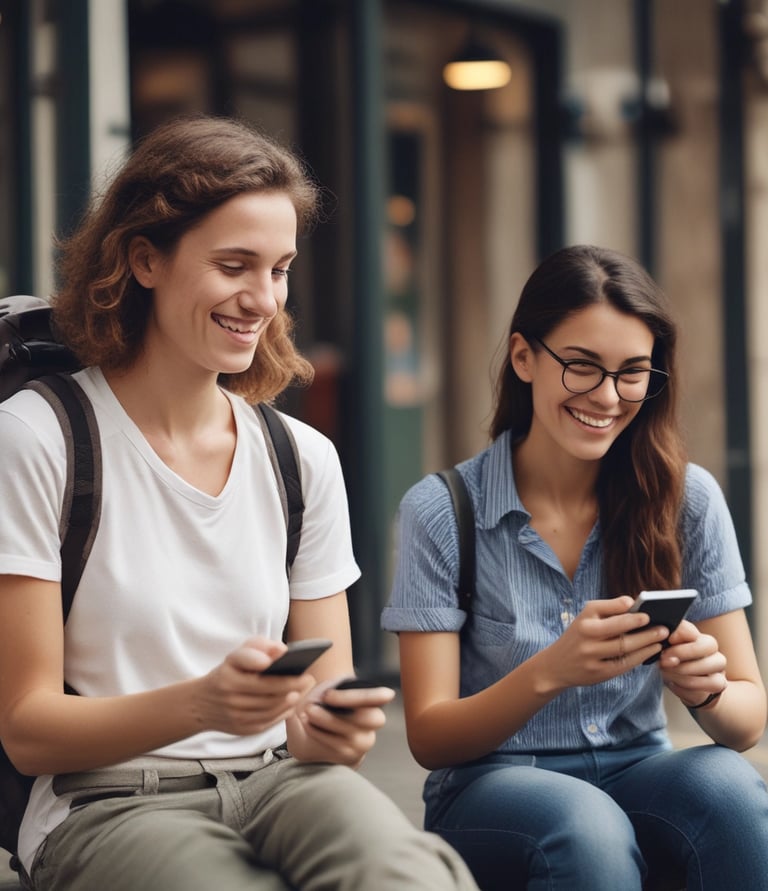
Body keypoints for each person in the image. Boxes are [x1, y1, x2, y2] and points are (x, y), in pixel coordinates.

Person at [0, 115, 478, 891]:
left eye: (280, 269)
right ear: (144, 260)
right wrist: (204, 704)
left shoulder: (302, 458)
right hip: (107, 803)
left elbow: (328, 720)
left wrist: (332, 726)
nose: (262, 299)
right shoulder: (37, 438)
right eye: (234, 265)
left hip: (285, 782)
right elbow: (26, 728)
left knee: (414, 876)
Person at [382, 244, 768, 890]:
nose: (609, 397)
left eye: (633, 373)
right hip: (489, 784)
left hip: (639, 764)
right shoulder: (443, 509)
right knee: (584, 826)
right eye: (583, 367)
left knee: (729, 790)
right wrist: (552, 670)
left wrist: (708, 690)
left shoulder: (686, 498)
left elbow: (748, 718)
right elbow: (429, 733)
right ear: (524, 357)